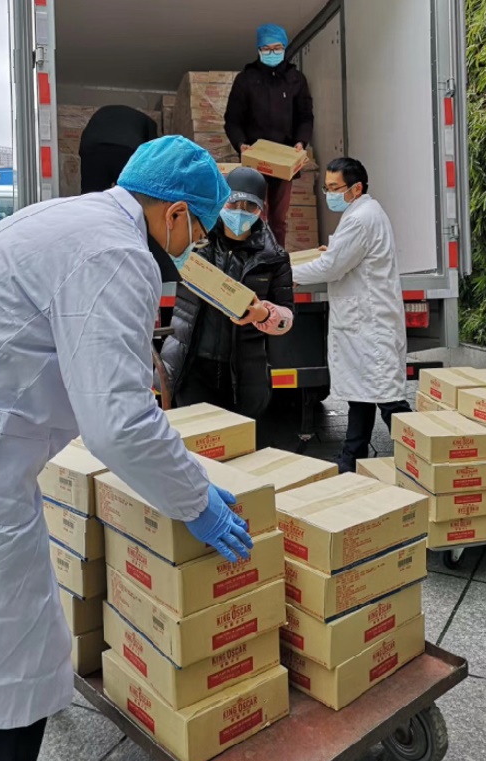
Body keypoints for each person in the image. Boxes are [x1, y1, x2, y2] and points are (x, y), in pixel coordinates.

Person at [0, 136, 253, 761]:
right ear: (176, 213)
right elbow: (118, 423)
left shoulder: (70, 217)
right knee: (21, 660)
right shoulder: (117, 253)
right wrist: (195, 501)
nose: (194, 246)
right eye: (198, 231)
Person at [290, 157, 411, 473]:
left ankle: (421, 456)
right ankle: (351, 458)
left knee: (388, 398)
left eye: (334, 188)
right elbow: (341, 256)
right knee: (362, 393)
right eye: (326, 188)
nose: (329, 194)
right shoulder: (362, 213)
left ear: (356, 188)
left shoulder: (360, 218)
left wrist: (290, 273)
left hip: (370, 325)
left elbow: (332, 267)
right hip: (365, 323)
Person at [158, 167, 294, 421]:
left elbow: (287, 317)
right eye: (233, 204)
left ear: (261, 209)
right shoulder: (195, 241)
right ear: (221, 202)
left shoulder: (273, 257)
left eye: (250, 206)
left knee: (240, 440)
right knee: (197, 439)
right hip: (192, 366)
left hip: (245, 375)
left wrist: (264, 314)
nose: (240, 212)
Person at [224, 23, 314, 247]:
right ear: (258, 50)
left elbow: (305, 116)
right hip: (255, 159)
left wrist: (301, 143)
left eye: (277, 48)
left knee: (278, 219)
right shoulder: (246, 80)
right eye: (266, 49)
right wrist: (241, 144)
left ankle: (276, 258)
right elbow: (232, 120)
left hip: (285, 159)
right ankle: (251, 256)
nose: (272, 53)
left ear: (284, 48)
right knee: (252, 213)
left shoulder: (295, 80)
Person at [78, 105, 179, 282]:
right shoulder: (150, 126)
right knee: (135, 206)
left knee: (91, 202)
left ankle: (88, 252)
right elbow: (153, 159)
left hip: (92, 146)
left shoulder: (113, 116)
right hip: (127, 148)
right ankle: (146, 263)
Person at [79, 105, 158, 194]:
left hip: (93, 147)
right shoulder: (150, 123)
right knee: (128, 194)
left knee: (92, 194)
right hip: (127, 149)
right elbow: (154, 152)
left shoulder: (105, 112)